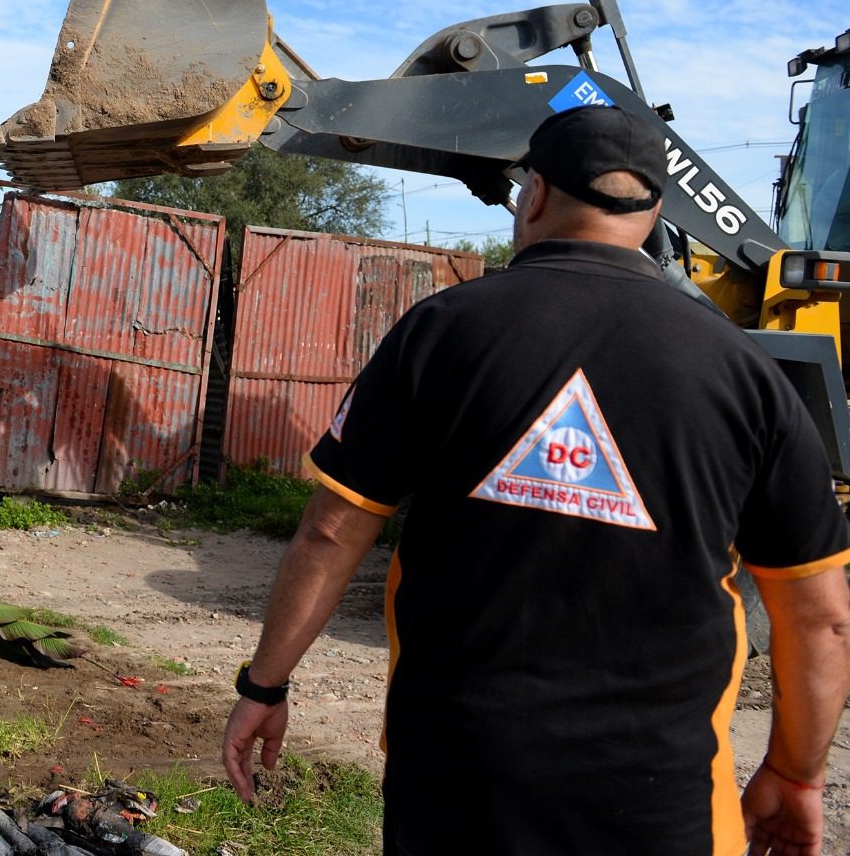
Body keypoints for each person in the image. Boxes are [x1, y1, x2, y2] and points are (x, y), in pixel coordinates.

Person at [221, 105, 850, 855]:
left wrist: (264, 685)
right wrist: (796, 773)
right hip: (664, 803)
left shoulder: (439, 330)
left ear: (536, 195)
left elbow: (331, 529)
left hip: (454, 784)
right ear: (653, 213)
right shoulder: (749, 374)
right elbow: (821, 616)